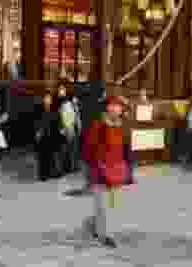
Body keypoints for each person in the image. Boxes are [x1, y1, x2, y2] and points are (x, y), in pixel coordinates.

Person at [81, 95, 135, 248]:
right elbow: (88, 148)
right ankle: (104, 234)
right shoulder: (98, 125)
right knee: (102, 204)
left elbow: (127, 149)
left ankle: (98, 226)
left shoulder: (123, 125)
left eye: (119, 106)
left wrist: (129, 169)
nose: (116, 109)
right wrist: (89, 168)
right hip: (99, 169)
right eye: (113, 105)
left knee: (114, 204)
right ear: (107, 107)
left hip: (117, 170)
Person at [34, 92, 65, 181]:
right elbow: (35, 122)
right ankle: (43, 175)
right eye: (46, 98)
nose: (48, 100)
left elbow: (59, 120)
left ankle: (53, 172)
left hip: (53, 134)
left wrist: (61, 129)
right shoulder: (38, 109)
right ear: (43, 99)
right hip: (42, 135)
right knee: (43, 156)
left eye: (49, 98)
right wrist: (37, 131)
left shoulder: (54, 109)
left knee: (52, 155)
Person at [57, 82, 81, 175]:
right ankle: (66, 167)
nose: (61, 91)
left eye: (62, 89)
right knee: (65, 149)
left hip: (71, 126)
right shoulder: (58, 102)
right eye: (60, 89)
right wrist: (61, 128)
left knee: (73, 148)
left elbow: (76, 114)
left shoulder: (71, 101)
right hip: (63, 128)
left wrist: (78, 125)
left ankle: (73, 166)